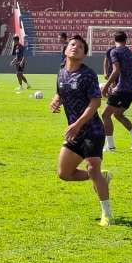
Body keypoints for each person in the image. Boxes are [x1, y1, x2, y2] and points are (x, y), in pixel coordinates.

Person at [50, 35, 113, 226]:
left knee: (93, 166)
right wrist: (56, 100)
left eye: (80, 47)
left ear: (84, 54)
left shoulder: (88, 74)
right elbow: (61, 91)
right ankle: (101, 178)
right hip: (74, 133)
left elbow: (95, 102)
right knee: (64, 174)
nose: (75, 47)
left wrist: (77, 124)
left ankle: (107, 214)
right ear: (65, 50)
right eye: (72, 45)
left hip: (92, 130)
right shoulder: (61, 72)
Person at [101, 32, 132, 151]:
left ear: (114, 40)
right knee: (118, 114)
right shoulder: (130, 52)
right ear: (126, 40)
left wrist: (106, 86)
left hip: (123, 89)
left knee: (105, 115)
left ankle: (110, 146)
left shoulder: (114, 51)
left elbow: (116, 71)